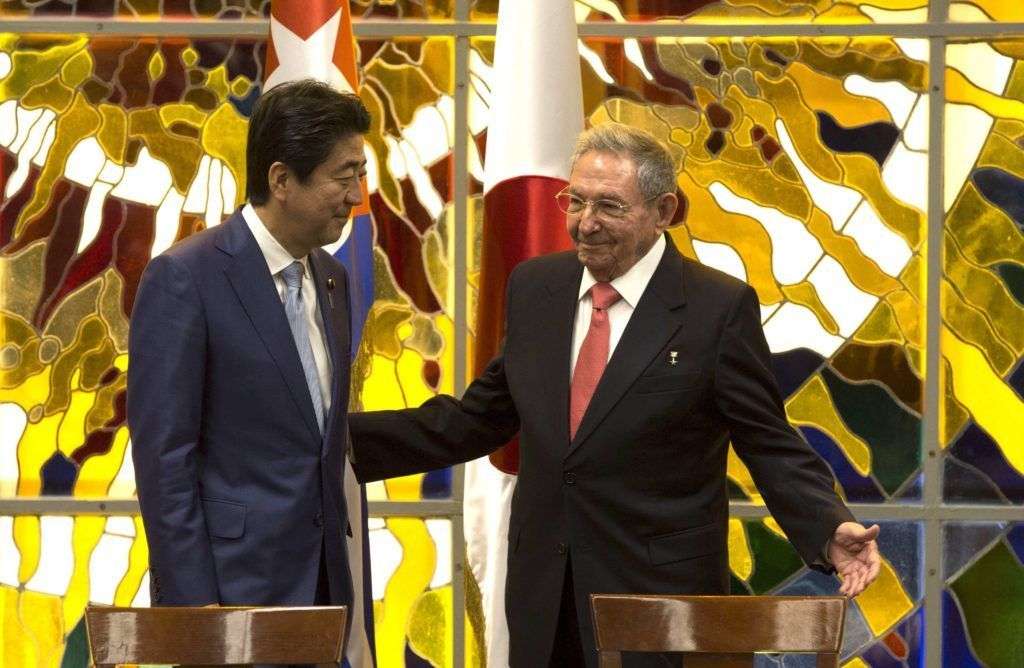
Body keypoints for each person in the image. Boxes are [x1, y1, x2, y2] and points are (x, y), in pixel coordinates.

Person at [348, 123, 880, 667]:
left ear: (664, 211)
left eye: (609, 206)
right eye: (574, 201)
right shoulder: (537, 288)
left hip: (659, 601)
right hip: (544, 596)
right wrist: (336, 444)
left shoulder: (715, 308)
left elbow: (768, 443)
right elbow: (477, 420)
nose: (585, 223)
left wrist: (826, 525)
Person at [128, 79, 374, 666]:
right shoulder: (186, 278)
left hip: (325, 593)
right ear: (282, 179)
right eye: (344, 177)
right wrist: (195, 613)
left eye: (360, 175)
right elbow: (165, 458)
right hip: (229, 594)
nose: (356, 195)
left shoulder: (334, 280)